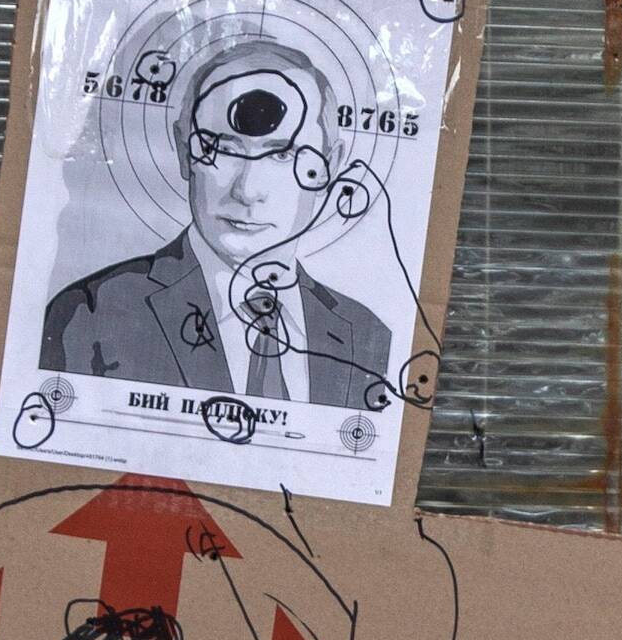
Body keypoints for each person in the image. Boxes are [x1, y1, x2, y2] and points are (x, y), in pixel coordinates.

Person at [40, 32, 397, 410]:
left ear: (330, 164)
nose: (247, 190)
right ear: (183, 152)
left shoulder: (369, 340)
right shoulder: (90, 314)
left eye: (281, 155)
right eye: (223, 150)